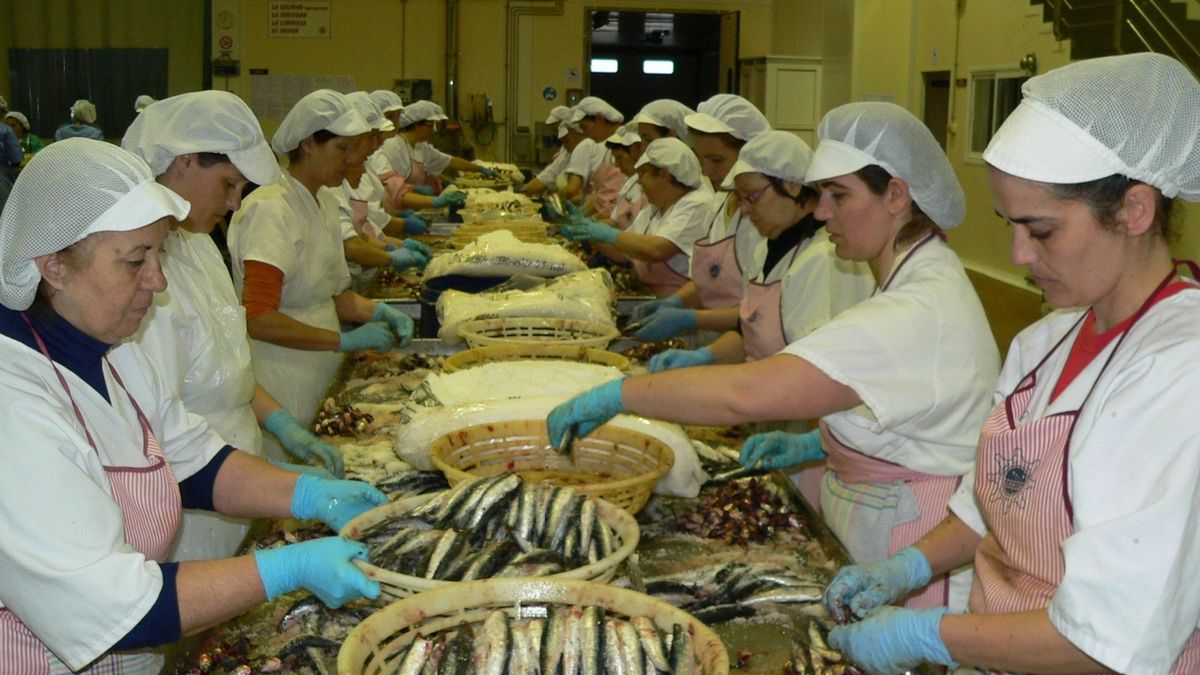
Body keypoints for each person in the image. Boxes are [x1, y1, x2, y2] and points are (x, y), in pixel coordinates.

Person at [822, 53, 1200, 675]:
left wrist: (930, 634)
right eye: (1010, 226)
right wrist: (909, 567)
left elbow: (1107, 640)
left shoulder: (1177, 370)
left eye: (1041, 231)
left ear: (1134, 210)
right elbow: (998, 498)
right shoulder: (1042, 343)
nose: (1018, 254)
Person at [549, 102, 1000, 611]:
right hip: (886, 513)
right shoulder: (919, 275)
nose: (822, 211)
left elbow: (745, 394)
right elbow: (911, 406)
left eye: (837, 195)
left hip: (910, 538)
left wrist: (619, 394)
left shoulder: (915, 307)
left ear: (896, 194)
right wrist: (818, 441)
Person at [0, 139, 385, 673]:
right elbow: (119, 607)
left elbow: (197, 464)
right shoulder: (12, 407)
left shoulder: (115, 352)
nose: (157, 283)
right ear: (54, 268)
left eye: (159, 255)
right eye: (136, 261)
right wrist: (286, 568)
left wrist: (311, 495)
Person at [121, 91, 351, 564]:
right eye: (227, 184)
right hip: (192, 510)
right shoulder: (136, 273)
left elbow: (228, 366)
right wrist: (268, 477)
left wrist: (280, 424)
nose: (233, 202)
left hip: (236, 481)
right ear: (184, 161)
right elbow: (157, 433)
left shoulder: (200, 244)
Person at [226, 89, 414, 456]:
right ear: (309, 144)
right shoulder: (270, 208)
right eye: (342, 150)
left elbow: (333, 294)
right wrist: (343, 341)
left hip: (320, 367)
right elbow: (259, 317)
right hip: (281, 375)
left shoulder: (325, 200)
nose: (350, 161)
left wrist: (378, 312)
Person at [649, 130, 873, 368]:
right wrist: (706, 356)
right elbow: (748, 331)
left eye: (751, 196)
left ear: (792, 186)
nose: (744, 209)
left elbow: (811, 366)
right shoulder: (765, 250)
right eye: (740, 198)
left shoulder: (824, 259)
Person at [631, 94, 772, 341]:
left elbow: (761, 312)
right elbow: (708, 278)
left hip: (745, 346)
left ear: (752, 153)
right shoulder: (720, 202)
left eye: (717, 160)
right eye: (702, 158)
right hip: (712, 338)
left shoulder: (763, 219)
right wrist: (676, 302)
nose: (707, 171)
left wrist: (690, 318)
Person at [563, 137, 716, 298]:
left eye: (642, 174)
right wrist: (588, 232)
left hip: (680, 302)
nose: (639, 182)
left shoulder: (697, 204)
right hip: (651, 294)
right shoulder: (655, 207)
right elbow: (625, 252)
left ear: (662, 175)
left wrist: (608, 234)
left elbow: (657, 249)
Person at [335, 91, 431, 291]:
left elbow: (360, 232)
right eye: (372, 137)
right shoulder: (332, 184)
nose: (376, 143)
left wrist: (391, 245)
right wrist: (390, 253)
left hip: (357, 276)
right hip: (352, 276)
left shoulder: (353, 170)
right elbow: (350, 244)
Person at [375, 99, 493, 208]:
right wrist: (416, 190)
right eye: (430, 126)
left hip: (415, 206)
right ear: (416, 124)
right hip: (398, 208)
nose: (434, 131)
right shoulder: (394, 146)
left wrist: (479, 169)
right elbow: (390, 186)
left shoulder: (421, 146)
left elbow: (449, 161)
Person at [560, 96, 625, 206]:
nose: (585, 134)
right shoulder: (607, 145)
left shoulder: (625, 144)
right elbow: (602, 194)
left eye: (585, 127)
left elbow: (618, 195)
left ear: (599, 119)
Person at [521, 105, 576, 198]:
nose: (556, 134)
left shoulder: (581, 147)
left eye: (556, 129)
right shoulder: (566, 147)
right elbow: (552, 172)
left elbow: (552, 175)